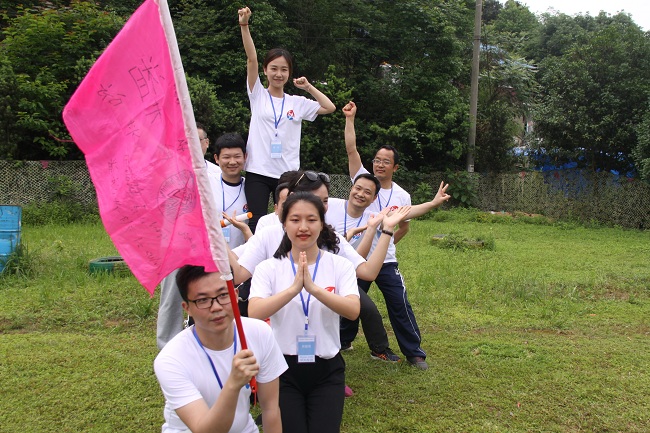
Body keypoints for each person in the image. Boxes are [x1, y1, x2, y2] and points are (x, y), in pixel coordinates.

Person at [341, 101, 451, 370]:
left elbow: (406, 222)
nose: (379, 165)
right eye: (377, 160)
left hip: (386, 262)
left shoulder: (401, 195)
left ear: (395, 167)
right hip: (357, 258)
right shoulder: (363, 181)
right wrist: (350, 119)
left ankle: (414, 353)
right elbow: (351, 149)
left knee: (400, 304)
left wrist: (433, 203)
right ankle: (341, 342)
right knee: (350, 300)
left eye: (386, 162)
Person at [248, 192, 359, 433]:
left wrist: (314, 289)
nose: (303, 227)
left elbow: (353, 310)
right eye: (295, 219)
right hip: (282, 369)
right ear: (284, 224)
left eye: (311, 219)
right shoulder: (268, 268)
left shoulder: (340, 265)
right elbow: (254, 311)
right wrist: (293, 290)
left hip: (327, 369)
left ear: (322, 224)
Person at [154, 266, 287, 433]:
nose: (216, 307)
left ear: (235, 295)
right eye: (203, 300)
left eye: (223, 295)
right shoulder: (171, 359)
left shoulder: (260, 333)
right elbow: (204, 430)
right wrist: (233, 384)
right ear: (187, 308)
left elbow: (270, 409)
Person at [238, 7, 336, 232]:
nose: (278, 74)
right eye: (273, 68)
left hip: (288, 174)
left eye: (284, 69)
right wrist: (244, 25)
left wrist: (308, 87)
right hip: (258, 170)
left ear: (289, 73)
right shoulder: (258, 95)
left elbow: (329, 107)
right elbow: (251, 59)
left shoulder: (297, 102)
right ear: (265, 70)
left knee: (288, 221)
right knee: (256, 221)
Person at [157, 124, 227, 350]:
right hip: (176, 242)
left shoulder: (217, 174)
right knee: (172, 297)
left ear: (206, 143)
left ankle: (207, 342)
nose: (192, 145)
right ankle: (167, 346)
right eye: (187, 141)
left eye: (198, 140)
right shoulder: (168, 171)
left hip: (209, 244)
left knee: (208, 293)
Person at [325, 173, 402, 362]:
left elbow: (363, 266)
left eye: (367, 192)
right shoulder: (328, 206)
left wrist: (433, 203)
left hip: (340, 273)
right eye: (358, 188)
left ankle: (379, 349)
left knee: (367, 309)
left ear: (374, 198)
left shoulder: (371, 218)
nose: (360, 194)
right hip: (312, 275)